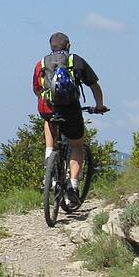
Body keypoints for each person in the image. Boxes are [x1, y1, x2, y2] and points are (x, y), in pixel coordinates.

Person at [32, 32, 107, 207]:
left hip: (49, 108)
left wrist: (46, 100)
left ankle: (49, 155)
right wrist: (100, 105)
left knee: (48, 119)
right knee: (76, 145)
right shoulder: (76, 61)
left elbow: (36, 89)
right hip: (71, 109)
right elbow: (94, 85)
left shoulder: (41, 64)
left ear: (51, 46)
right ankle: (72, 186)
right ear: (68, 45)